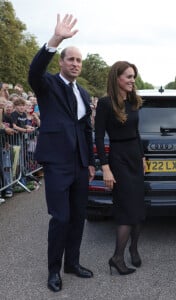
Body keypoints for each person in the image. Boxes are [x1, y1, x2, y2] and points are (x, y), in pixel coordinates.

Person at [28, 14, 95, 292]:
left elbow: (86, 130)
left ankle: (73, 263)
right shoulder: (48, 85)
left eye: (79, 61)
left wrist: (91, 162)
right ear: (61, 62)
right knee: (61, 217)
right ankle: (54, 270)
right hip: (57, 164)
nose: (76, 64)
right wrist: (56, 39)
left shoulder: (84, 93)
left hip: (80, 165)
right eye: (71, 60)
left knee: (79, 216)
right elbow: (34, 71)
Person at [95, 61, 146, 276]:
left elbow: (136, 132)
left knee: (138, 208)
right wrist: (106, 168)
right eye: (128, 76)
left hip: (135, 158)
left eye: (133, 76)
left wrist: (142, 157)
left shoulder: (134, 101)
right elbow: (98, 138)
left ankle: (133, 248)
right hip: (118, 159)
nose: (132, 80)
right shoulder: (106, 104)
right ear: (117, 78)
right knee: (126, 210)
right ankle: (117, 256)